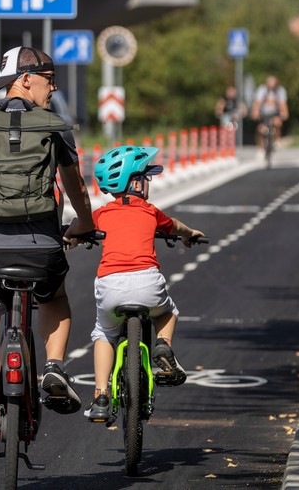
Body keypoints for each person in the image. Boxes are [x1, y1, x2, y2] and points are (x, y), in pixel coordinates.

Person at [0, 45, 96, 465]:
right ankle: (55, 367)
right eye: (49, 80)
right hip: (42, 248)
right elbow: (75, 184)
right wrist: (83, 223)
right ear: (26, 80)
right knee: (56, 297)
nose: (53, 89)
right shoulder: (55, 125)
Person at [85, 145, 206, 421]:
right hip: (147, 283)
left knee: (104, 332)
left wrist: (71, 237)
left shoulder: (102, 214)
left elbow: (81, 229)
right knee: (167, 312)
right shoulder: (150, 211)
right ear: (136, 182)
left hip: (111, 285)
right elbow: (173, 226)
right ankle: (163, 345)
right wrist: (189, 234)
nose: (148, 182)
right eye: (145, 177)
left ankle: (101, 396)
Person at [250, 75, 288, 151]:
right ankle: (260, 148)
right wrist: (255, 112)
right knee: (260, 129)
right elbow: (257, 103)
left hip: (275, 113)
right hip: (264, 113)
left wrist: (285, 113)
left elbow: (283, 104)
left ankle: (276, 140)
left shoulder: (280, 90)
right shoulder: (262, 90)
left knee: (277, 123)